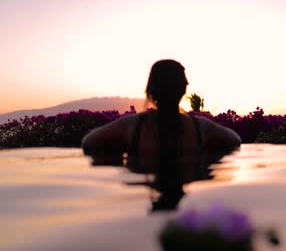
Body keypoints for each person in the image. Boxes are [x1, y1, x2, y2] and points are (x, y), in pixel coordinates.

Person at [82, 59, 241, 209]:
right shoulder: (201, 127)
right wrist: (208, 162)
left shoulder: (131, 126)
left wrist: (119, 162)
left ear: (150, 90)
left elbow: (89, 142)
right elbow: (235, 140)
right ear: (184, 88)